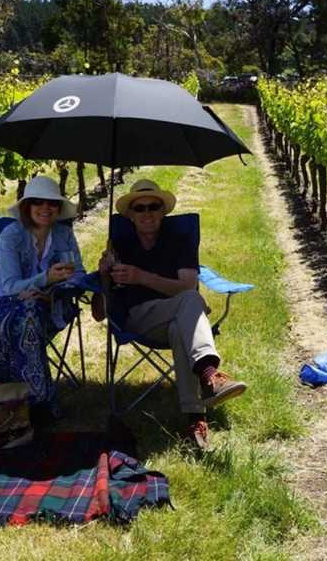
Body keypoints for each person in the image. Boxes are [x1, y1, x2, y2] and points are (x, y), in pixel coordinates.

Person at [91, 179, 246, 449]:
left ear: (163, 211)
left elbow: (187, 283)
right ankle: (209, 374)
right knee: (191, 300)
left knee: (181, 324)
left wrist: (141, 276)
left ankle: (195, 419)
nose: (147, 213)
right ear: (130, 215)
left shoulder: (180, 240)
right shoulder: (120, 246)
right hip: (138, 318)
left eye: (154, 207)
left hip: (179, 319)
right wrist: (103, 275)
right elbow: (98, 314)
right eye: (140, 208)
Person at [0, 175, 84, 413]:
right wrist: (45, 279)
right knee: (18, 317)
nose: (45, 208)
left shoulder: (64, 234)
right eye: (37, 202)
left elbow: (79, 273)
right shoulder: (11, 235)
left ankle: (8, 395)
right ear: (26, 206)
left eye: (52, 203)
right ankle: (37, 399)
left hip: (49, 305)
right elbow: (10, 286)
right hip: (3, 302)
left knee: (29, 313)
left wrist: (50, 293)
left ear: (58, 208)